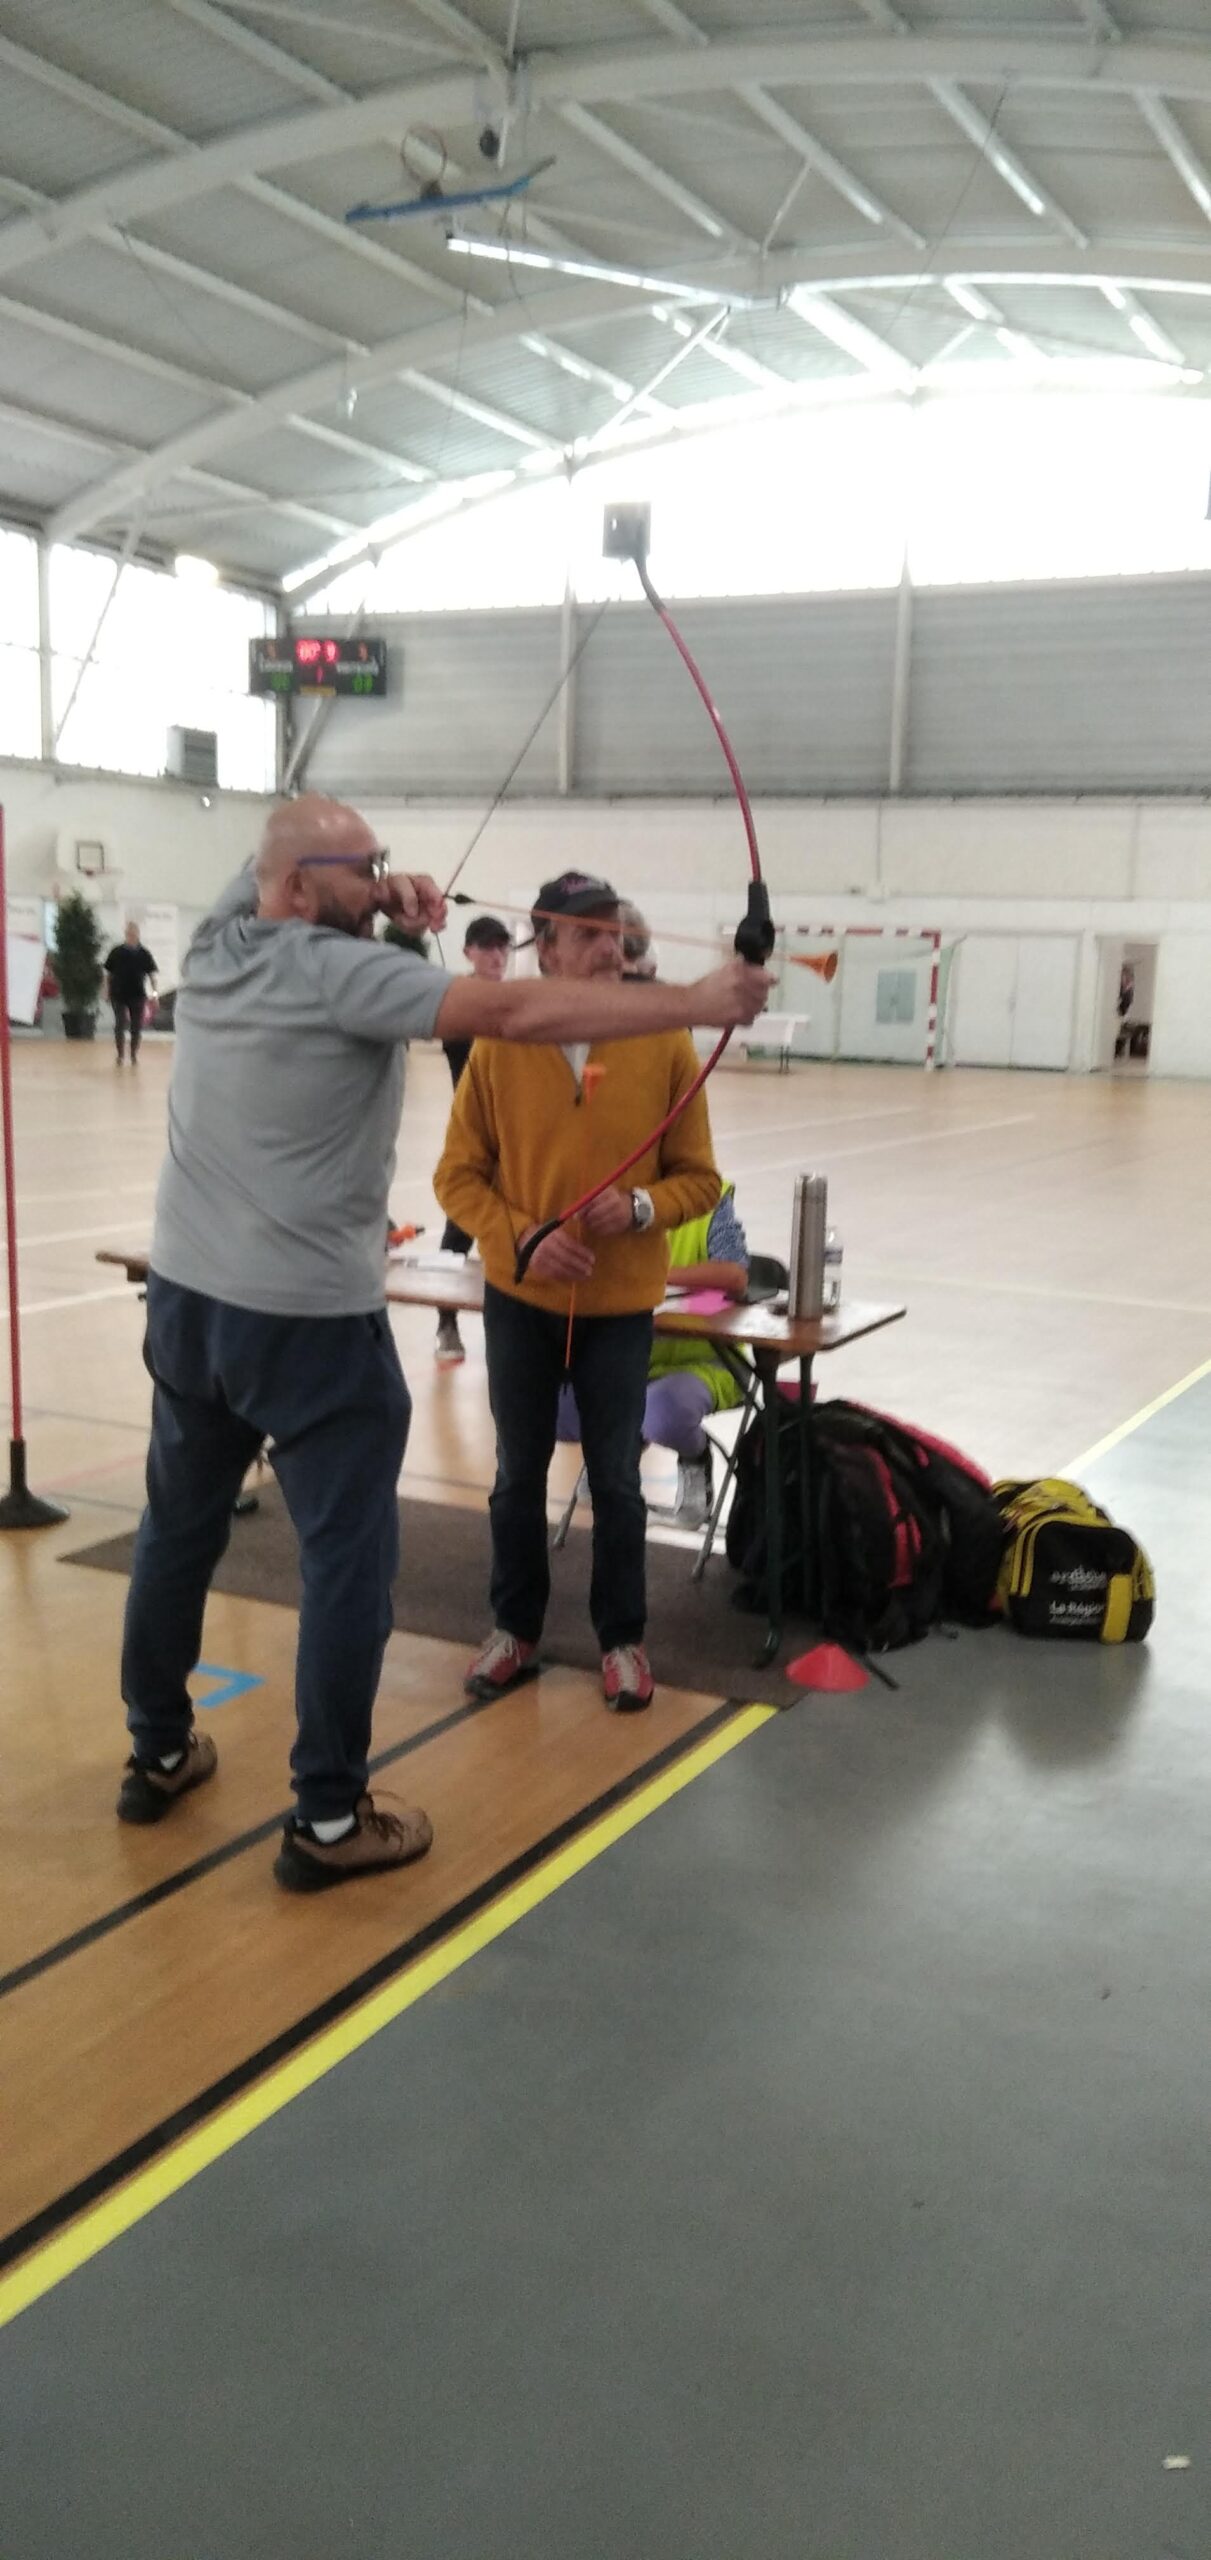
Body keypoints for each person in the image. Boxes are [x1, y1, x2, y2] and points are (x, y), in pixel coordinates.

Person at [117, 805, 773, 1890]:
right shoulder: (343, 974)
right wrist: (699, 1001)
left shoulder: (220, 939)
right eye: (360, 867)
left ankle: (156, 1749)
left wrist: (375, 888)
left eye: (380, 861)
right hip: (308, 1326)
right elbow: (507, 1009)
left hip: (188, 1303)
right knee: (347, 1566)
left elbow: (278, 864)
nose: (379, 878)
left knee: (176, 1530)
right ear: (298, 890)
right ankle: (328, 1819)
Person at [434, 870, 740, 1717]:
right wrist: (523, 1238)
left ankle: (621, 1641)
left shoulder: (663, 1039)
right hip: (520, 1298)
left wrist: (639, 1208)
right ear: (547, 947)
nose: (610, 946)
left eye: (615, 932)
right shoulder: (501, 1039)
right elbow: (456, 1178)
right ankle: (513, 1629)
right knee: (514, 1477)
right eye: (588, 933)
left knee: (616, 1481)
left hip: (618, 1310)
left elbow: (699, 1178)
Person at [557, 1182, 751, 1529]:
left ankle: (693, 1457)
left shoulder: (707, 1195)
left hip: (706, 1361)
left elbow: (734, 1275)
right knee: (551, 1408)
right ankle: (621, 1444)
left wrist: (654, 1279)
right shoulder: (602, 1194)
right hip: (623, 1358)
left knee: (662, 1411)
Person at [436, 913, 511, 1370]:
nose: (497, 956)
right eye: (487, 947)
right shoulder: (458, 1005)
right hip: (475, 1140)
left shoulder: (513, 1002)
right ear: (468, 952)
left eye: (503, 947)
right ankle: (446, 1321)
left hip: (517, 1139)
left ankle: (508, 1332)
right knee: (460, 1230)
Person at [104, 921, 158, 1065]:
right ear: (125, 934)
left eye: (133, 933)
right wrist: (106, 991)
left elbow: (152, 976)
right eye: (128, 933)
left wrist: (155, 994)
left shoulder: (144, 954)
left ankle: (133, 1054)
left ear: (138, 934)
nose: (131, 936)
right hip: (118, 994)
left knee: (136, 1026)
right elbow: (108, 974)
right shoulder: (116, 952)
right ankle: (120, 1054)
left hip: (138, 994)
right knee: (119, 1024)